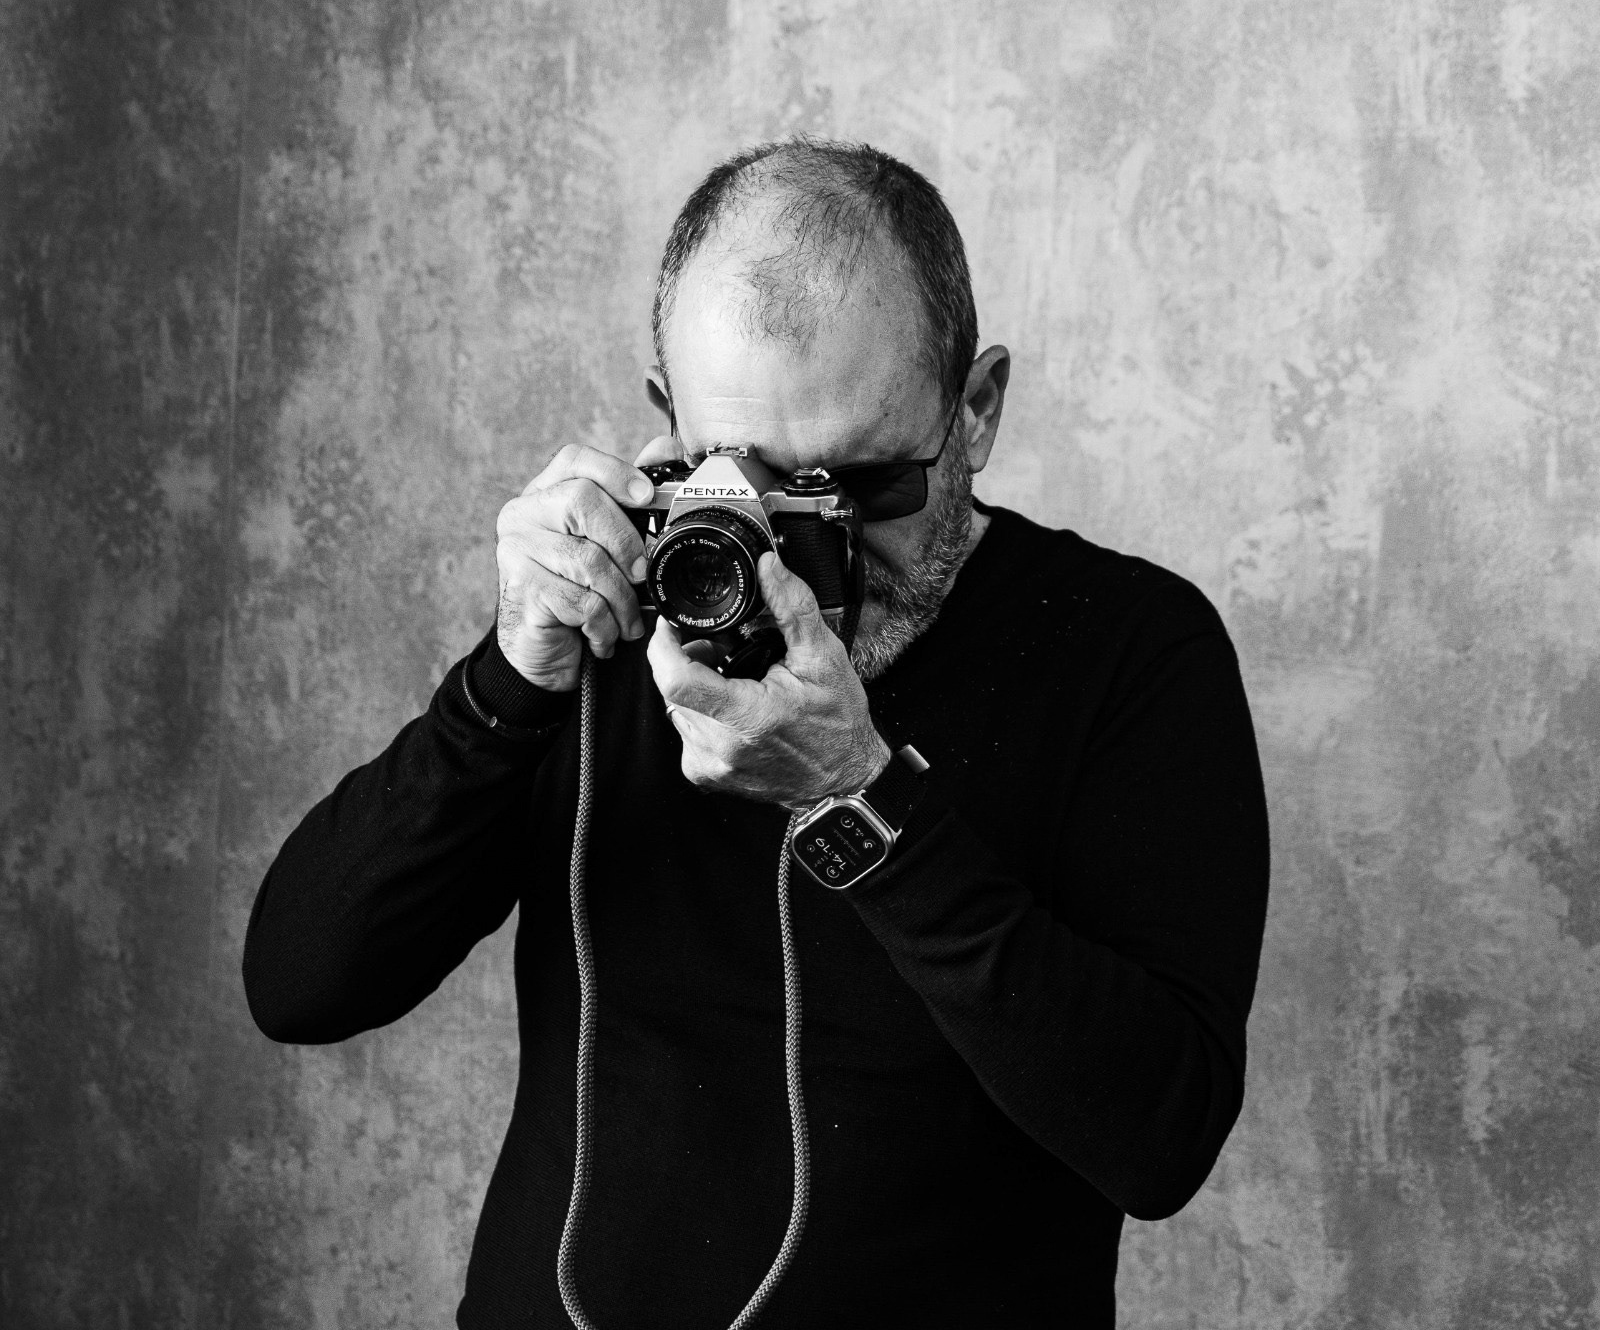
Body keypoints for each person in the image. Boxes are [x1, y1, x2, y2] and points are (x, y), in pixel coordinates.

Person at [243, 138, 1270, 1329]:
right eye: (750, 483)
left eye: (862, 488)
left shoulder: (1129, 649)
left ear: (977, 409)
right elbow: (299, 983)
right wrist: (510, 680)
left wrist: (858, 799)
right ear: (667, 423)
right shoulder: (621, 616)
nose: (801, 555)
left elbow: (1159, 1138)